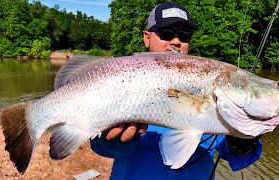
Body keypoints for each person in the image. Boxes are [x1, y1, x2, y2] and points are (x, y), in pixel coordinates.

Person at [91, 2, 262, 179]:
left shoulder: (210, 85)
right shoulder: (123, 80)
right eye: (166, 34)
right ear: (147, 38)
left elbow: (230, 153)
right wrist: (114, 139)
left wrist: (242, 142)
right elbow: (100, 146)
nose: (176, 41)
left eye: (184, 35)